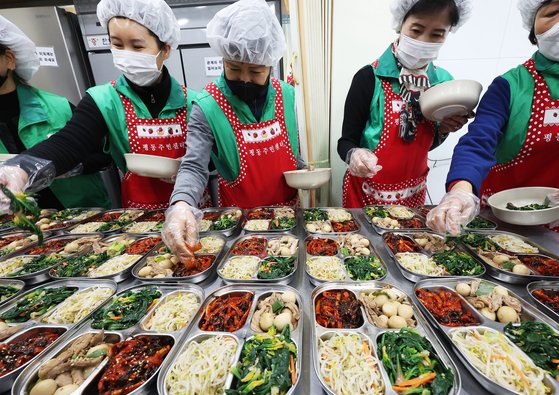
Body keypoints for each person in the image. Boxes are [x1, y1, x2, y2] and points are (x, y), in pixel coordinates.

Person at [0, 0, 208, 210]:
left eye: (137, 46)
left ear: (165, 49)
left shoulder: (193, 101)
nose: (126, 54)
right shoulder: (103, 100)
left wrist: (194, 165)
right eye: (117, 45)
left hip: (193, 209)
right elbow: (69, 142)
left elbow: (217, 154)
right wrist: (20, 168)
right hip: (140, 217)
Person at [162, 0, 304, 264]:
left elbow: (292, 149)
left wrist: (304, 168)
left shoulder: (286, 94)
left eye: (257, 70)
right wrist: (181, 204)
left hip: (289, 217)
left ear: (271, 64)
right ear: (223, 59)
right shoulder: (207, 105)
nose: (246, 79)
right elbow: (193, 166)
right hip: (240, 224)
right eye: (235, 68)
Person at [427, 0, 559, 235]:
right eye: (553, 13)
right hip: (503, 219)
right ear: (533, 26)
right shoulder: (510, 86)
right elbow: (478, 143)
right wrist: (460, 191)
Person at [338, 0, 473, 208]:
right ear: (401, 23)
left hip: (413, 194)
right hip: (366, 195)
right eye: (417, 30)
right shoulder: (368, 78)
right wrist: (354, 155)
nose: (424, 41)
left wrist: (444, 130)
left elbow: (426, 144)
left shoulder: (443, 84)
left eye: (437, 34)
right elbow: (345, 141)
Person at [0, 15, 110, 209]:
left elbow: (103, 155)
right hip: (15, 227)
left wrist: (68, 166)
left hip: (80, 216)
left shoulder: (58, 107)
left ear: (9, 59)